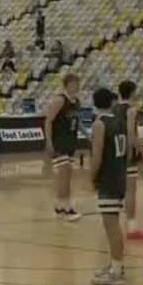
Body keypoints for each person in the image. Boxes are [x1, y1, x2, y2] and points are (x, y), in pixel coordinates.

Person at [88, 87, 128, 285]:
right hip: (119, 175)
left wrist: (91, 176)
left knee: (111, 226)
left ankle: (117, 270)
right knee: (113, 224)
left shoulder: (99, 124)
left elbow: (97, 154)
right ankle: (115, 263)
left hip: (109, 177)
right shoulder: (120, 120)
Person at [117, 80, 143, 241]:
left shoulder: (113, 108)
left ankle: (114, 225)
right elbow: (131, 134)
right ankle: (132, 228)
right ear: (132, 92)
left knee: (117, 191)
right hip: (127, 153)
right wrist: (142, 151)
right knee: (131, 191)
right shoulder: (131, 110)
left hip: (114, 153)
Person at [44, 73, 81, 221]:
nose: (77, 86)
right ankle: (66, 208)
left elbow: (76, 122)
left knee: (68, 175)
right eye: (74, 83)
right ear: (67, 84)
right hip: (60, 141)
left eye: (78, 83)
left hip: (71, 140)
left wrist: (87, 133)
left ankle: (60, 207)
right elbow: (48, 121)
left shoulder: (77, 102)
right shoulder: (60, 100)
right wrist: (49, 141)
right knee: (63, 175)